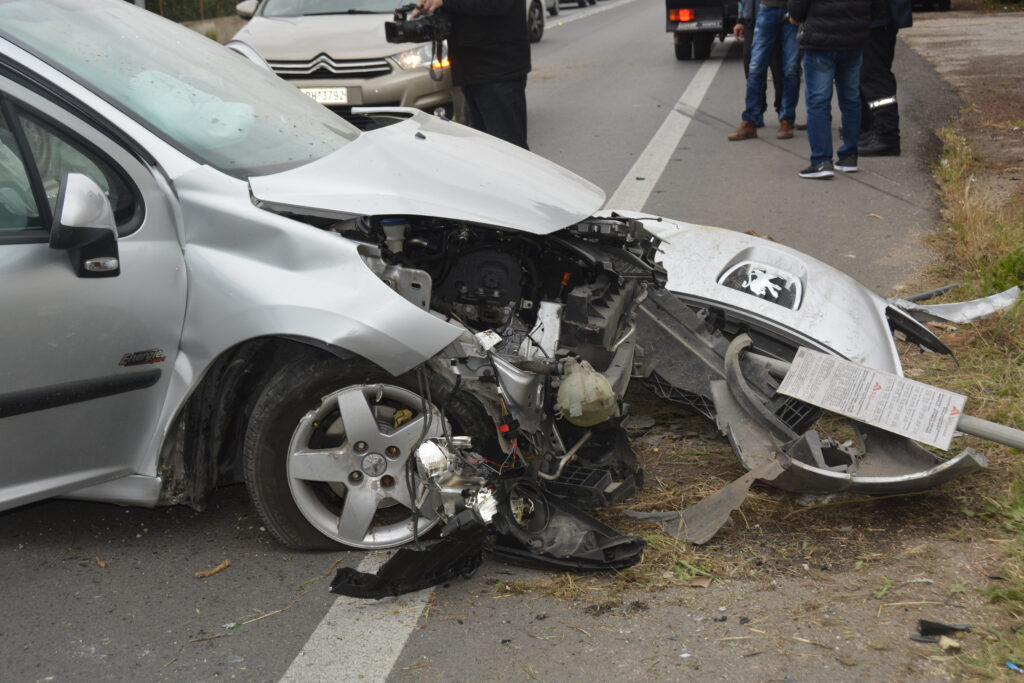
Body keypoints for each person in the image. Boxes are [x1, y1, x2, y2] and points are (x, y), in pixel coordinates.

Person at [415, 0, 531, 149]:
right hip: (472, 72)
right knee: (483, 152)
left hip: (498, 71)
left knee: (510, 151)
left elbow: (497, 5)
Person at [788, 0, 884, 178]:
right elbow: (879, 6)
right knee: (851, 99)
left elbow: (797, 6)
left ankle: (821, 160)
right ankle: (849, 156)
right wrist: (862, 22)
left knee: (818, 101)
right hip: (854, 39)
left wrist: (796, 16)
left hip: (820, 39)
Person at [727, 0, 801, 142]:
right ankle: (750, 120)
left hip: (793, 9)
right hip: (767, 9)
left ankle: (787, 119)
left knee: (791, 68)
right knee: (755, 67)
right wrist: (741, 18)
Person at [859, 0, 912, 156]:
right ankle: (878, 130)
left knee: (876, 77)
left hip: (878, 18)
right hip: (879, 17)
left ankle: (886, 136)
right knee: (872, 76)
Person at [734, 0, 783, 124]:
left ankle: (783, 112)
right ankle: (757, 113)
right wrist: (740, 20)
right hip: (751, 21)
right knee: (751, 68)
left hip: (772, 18)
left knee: (778, 68)